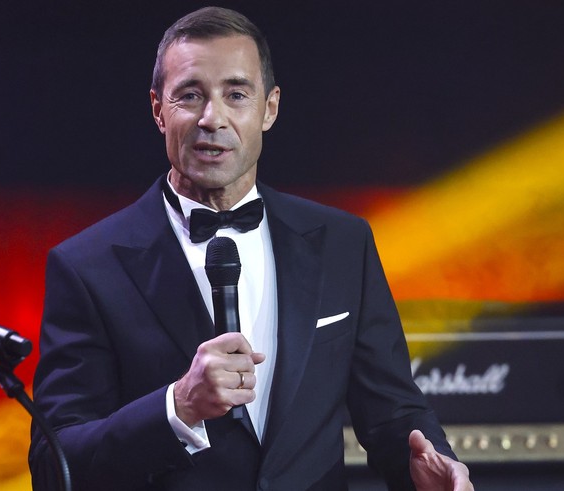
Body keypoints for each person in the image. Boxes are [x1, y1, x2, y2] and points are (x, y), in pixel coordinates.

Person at [29, 7, 473, 491]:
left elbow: (393, 410)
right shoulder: (87, 267)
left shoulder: (343, 244)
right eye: (190, 95)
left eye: (236, 94)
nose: (211, 118)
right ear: (159, 109)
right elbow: (56, 467)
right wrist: (177, 407)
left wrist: (428, 464)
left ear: (270, 107)